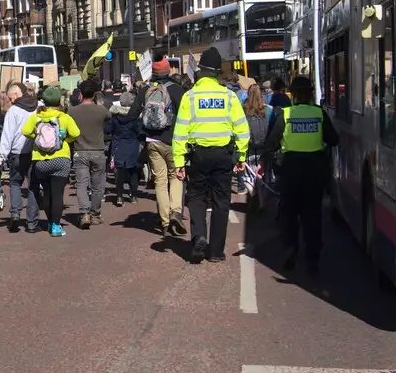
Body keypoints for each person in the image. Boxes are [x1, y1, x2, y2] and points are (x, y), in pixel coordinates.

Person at [173, 46, 250, 264]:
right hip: (223, 155)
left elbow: (180, 132)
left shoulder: (190, 96)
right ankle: (216, 251)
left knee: (196, 197)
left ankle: (199, 236)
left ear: (200, 71)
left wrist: (179, 162)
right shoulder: (229, 96)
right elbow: (242, 129)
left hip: (197, 155)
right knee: (221, 201)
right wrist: (242, 156)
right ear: (217, 72)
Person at [261, 75, 339, 272]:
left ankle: (290, 247)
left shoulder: (284, 114)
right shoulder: (319, 113)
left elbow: (271, 142)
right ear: (311, 93)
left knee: (288, 213)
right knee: (312, 215)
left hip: (290, 169)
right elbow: (333, 139)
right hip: (315, 169)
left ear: (293, 93)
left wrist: (266, 160)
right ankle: (312, 257)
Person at [128, 52, 188, 239]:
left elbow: (131, 115)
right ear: (168, 70)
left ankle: (164, 221)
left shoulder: (145, 90)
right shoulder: (177, 90)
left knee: (160, 182)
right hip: (173, 141)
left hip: (152, 141)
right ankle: (176, 212)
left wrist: (141, 132)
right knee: (176, 177)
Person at [21, 86, 81, 237]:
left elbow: (25, 131)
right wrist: (65, 140)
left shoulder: (37, 117)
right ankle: (55, 225)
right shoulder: (64, 117)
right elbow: (76, 133)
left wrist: (37, 137)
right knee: (58, 194)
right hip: (61, 158)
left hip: (41, 160)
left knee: (46, 192)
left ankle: (49, 221)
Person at [68, 79, 110, 229]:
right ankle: (95, 214)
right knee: (98, 185)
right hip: (98, 151)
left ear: (81, 93)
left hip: (80, 151)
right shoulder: (101, 110)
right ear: (94, 94)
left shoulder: (72, 111)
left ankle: (84, 212)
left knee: (81, 184)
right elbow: (109, 117)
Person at [0, 82, 39, 233]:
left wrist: (1, 156)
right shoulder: (38, 106)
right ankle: (32, 223)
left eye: (10, 98)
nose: (10, 101)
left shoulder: (13, 111)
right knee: (33, 186)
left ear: (16, 94)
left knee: (15, 183)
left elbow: (7, 135)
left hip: (16, 153)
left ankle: (15, 214)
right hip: (35, 152)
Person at [105, 92, 143, 207]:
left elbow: (107, 129)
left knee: (120, 172)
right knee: (133, 171)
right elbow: (139, 131)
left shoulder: (115, 115)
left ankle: (119, 196)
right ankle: (134, 196)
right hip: (132, 145)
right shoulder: (136, 117)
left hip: (118, 145)